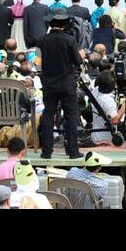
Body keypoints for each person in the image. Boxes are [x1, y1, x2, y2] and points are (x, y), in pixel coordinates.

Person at [37, 8, 84, 159]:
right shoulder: (70, 40)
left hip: (49, 84)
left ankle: (47, 151)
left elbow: (38, 62)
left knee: (48, 116)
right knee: (70, 116)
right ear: (64, 23)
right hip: (66, 84)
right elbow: (78, 61)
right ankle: (73, 151)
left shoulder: (42, 40)